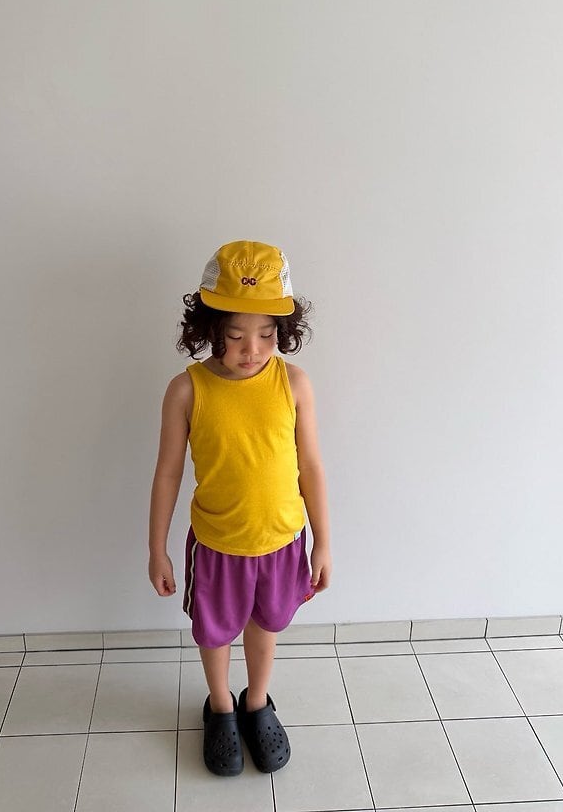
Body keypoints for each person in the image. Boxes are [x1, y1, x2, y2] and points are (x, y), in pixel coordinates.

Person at [148, 239, 331, 776]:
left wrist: (323, 541)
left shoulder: (294, 384)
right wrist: (156, 549)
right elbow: (167, 473)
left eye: (267, 335)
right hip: (217, 545)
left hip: (282, 541)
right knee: (215, 631)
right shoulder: (187, 390)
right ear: (210, 329)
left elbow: (311, 466)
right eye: (235, 336)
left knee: (267, 622)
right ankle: (220, 706)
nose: (252, 349)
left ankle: (256, 702)